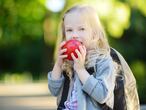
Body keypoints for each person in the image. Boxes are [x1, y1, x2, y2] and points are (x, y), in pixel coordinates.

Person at [48, 5, 139, 110]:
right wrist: (59, 65)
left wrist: (81, 70)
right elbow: (54, 91)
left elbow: (102, 95)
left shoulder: (103, 61)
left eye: (81, 29)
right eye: (69, 30)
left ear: (94, 34)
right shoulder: (69, 61)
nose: (74, 35)